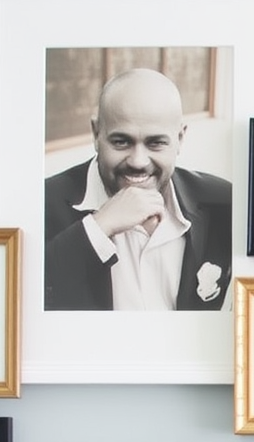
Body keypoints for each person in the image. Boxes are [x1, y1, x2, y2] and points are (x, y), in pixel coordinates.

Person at [43, 67, 232, 312]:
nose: (138, 161)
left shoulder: (225, 202)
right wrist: (97, 227)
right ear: (96, 133)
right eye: (121, 142)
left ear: (180, 138)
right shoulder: (43, 202)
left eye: (156, 143)